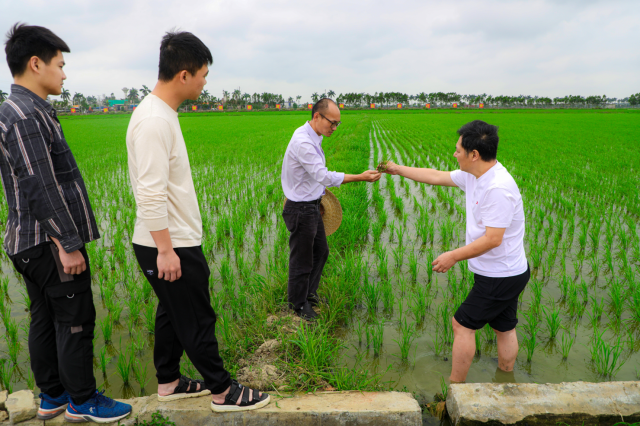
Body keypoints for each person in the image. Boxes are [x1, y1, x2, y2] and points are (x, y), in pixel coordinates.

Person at [126, 31, 269, 412]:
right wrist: (166, 249)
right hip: (169, 242)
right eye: (204, 74)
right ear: (184, 74)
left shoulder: (160, 113)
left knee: (172, 313)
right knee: (197, 316)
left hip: (169, 238)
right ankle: (223, 391)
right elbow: (151, 193)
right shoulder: (155, 120)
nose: (206, 83)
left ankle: (169, 381)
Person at [0, 23, 132, 423]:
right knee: (75, 320)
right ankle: (82, 400)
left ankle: (53, 395)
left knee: (45, 318)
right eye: (59, 64)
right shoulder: (24, 114)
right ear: (36, 64)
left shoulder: (26, 110)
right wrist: (68, 242)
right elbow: (40, 185)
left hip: (31, 241)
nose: (64, 73)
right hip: (47, 241)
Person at [382, 120, 529, 382]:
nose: (454, 154)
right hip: (506, 271)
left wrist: (453, 256)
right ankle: (506, 379)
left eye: (458, 150)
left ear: (474, 154)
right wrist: (397, 169)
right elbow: (436, 176)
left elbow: (493, 239)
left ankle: (455, 388)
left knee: (462, 324)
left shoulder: (498, 188)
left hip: (500, 274)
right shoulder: (477, 174)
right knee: (504, 327)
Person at [281, 98, 381, 320]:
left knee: (320, 252)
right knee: (302, 259)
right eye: (332, 123)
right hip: (302, 209)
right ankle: (298, 305)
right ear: (317, 116)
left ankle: (309, 294)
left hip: (312, 206)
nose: (334, 128)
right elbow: (322, 175)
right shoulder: (303, 143)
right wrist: (360, 177)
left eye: (338, 124)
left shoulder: (313, 135)